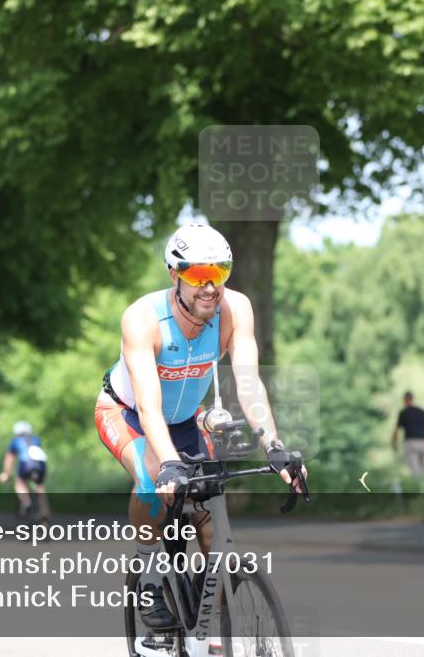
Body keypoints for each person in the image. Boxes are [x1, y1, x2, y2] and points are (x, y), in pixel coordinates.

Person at [94, 223, 306, 630]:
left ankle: (204, 624)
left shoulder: (235, 310)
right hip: (128, 413)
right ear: (174, 275)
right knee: (156, 480)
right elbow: (149, 407)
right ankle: (150, 574)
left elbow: (249, 384)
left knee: (209, 513)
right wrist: (171, 464)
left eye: (220, 274)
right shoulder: (143, 319)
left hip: (187, 421)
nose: (210, 287)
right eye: (198, 276)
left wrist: (274, 445)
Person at [0, 421, 50, 522]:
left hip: (26, 464)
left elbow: (9, 458)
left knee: (20, 483)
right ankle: (44, 512)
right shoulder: (36, 439)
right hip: (41, 464)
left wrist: (6, 473)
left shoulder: (16, 440)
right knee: (40, 488)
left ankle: (27, 503)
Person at [392, 391, 424, 480]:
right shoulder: (421, 411)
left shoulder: (403, 412)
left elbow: (397, 430)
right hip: (422, 442)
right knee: (422, 468)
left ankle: (419, 488)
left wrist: (394, 443)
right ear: (412, 399)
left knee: (414, 470)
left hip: (410, 443)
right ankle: (423, 487)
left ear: (404, 400)